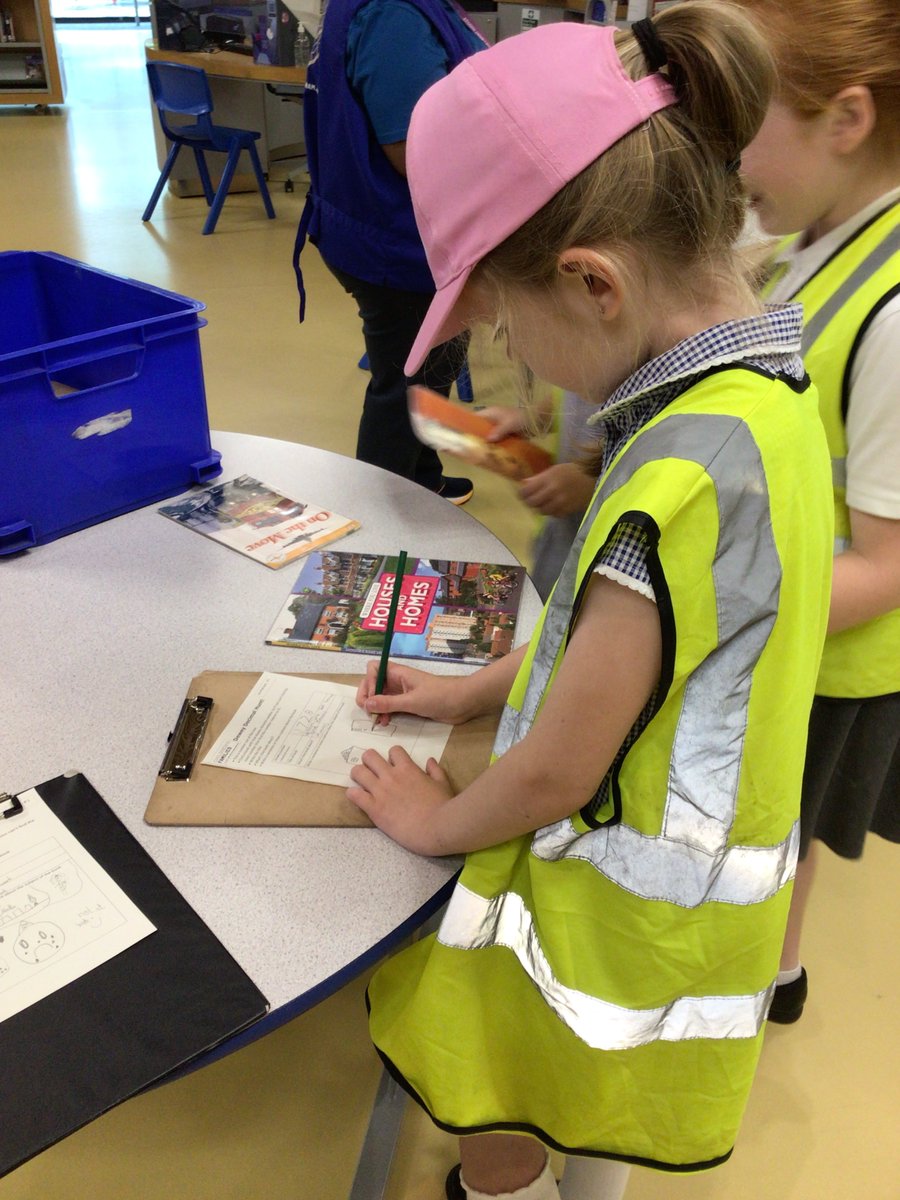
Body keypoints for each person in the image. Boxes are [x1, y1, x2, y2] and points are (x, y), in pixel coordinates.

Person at [347, 8, 834, 1198]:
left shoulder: (668, 473)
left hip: (599, 906)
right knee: (597, 1097)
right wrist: (469, 687)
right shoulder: (761, 398)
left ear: (592, 282)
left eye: (506, 324)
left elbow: (563, 769)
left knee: (515, 1081)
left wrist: (431, 823)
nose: (510, 349)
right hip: (671, 918)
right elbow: (636, 649)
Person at [733, 0, 900, 1024]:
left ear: (845, 119)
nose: (726, 155)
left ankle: (758, 985)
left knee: (774, 833)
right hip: (787, 621)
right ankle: (775, 975)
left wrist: (709, 597)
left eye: (745, 121)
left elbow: (888, 564)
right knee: (774, 829)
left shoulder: (894, 308)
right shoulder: (819, 236)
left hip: (827, 655)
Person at [294, 0, 486, 504]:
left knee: (427, 372)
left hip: (382, 227)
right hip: (396, 240)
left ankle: (422, 477)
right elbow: (414, 149)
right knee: (404, 389)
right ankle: (379, 513)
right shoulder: (392, 14)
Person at [480, 390, 601, 602]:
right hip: (561, 538)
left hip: (606, 562)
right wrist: (532, 417)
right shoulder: (591, 365)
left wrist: (594, 481)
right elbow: (573, 395)